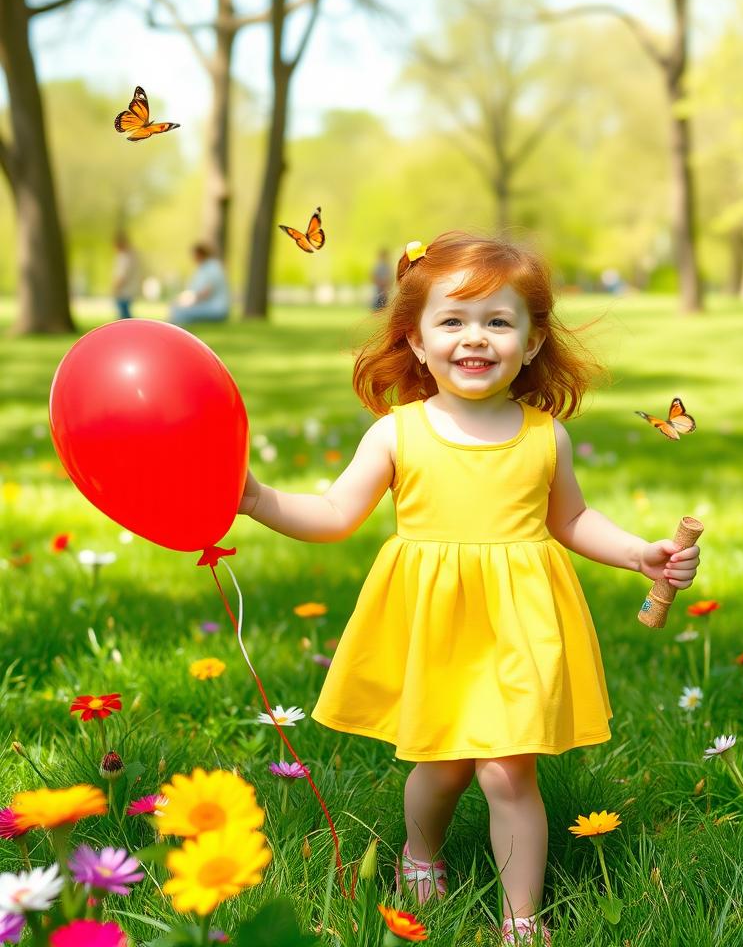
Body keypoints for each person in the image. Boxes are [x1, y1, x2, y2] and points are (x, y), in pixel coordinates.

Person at [237, 232, 701, 946]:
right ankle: (420, 853)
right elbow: (333, 514)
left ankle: (522, 917)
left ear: (533, 338)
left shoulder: (544, 436)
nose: (474, 339)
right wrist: (258, 498)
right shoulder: (400, 434)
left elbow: (571, 519)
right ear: (416, 342)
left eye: (497, 321)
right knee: (444, 765)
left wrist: (639, 553)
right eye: (452, 322)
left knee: (509, 771)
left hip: (517, 622)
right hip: (435, 622)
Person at [169, 243, 230, 326]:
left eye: (194, 255)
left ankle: (178, 331)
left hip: (216, 309)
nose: (193, 258)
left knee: (179, 311)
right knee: (176, 308)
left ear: (200, 254)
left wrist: (188, 301)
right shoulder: (203, 268)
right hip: (207, 306)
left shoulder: (213, 268)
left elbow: (206, 293)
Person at [112, 232, 142, 320]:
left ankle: (130, 331)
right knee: (125, 315)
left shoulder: (124, 257)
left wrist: (115, 287)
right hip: (127, 290)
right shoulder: (130, 256)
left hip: (123, 291)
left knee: (124, 316)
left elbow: (122, 276)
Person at [371, 246, 392, 310]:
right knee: (378, 305)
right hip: (379, 289)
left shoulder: (387, 266)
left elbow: (389, 277)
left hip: (385, 289)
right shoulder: (377, 266)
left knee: (384, 305)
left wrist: (387, 286)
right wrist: (381, 284)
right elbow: (374, 276)